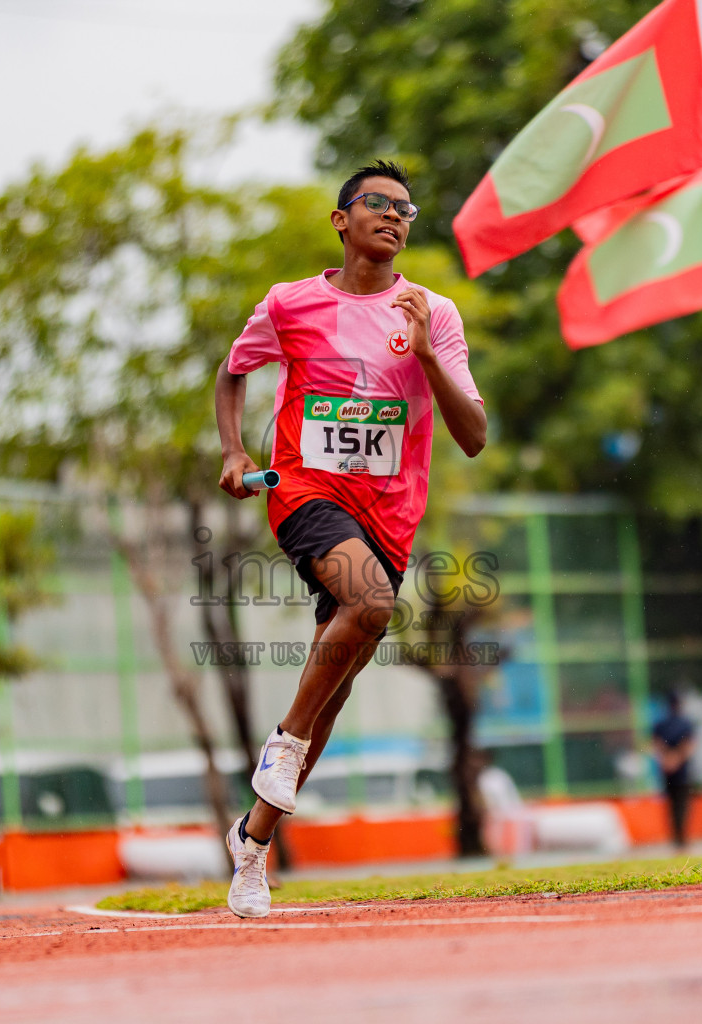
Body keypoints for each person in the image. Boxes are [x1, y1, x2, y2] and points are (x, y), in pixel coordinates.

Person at [213, 160, 486, 918]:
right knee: (368, 604)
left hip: (389, 514)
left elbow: (474, 436)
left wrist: (429, 355)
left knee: (336, 682)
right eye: (378, 203)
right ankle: (285, 746)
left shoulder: (435, 312)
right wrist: (236, 452)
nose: (396, 216)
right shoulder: (291, 304)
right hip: (305, 491)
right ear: (342, 220)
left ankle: (254, 843)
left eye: (407, 209)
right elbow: (233, 372)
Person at [651, 691, 695, 849]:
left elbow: (657, 743)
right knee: (682, 803)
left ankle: (676, 837)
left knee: (670, 805)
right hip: (681, 769)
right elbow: (688, 744)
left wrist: (667, 758)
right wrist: (677, 758)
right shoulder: (685, 723)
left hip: (667, 769)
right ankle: (681, 837)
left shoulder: (660, 724)